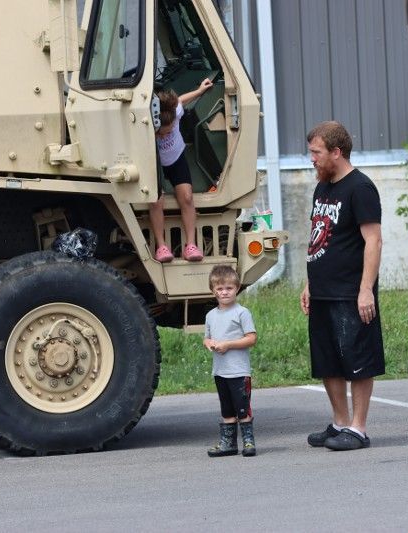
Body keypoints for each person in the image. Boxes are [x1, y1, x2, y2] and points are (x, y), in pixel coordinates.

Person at [300, 121, 384, 451]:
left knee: (357, 358)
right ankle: (339, 422)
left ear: (336, 152)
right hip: (322, 290)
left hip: (351, 291)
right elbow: (318, 237)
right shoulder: (323, 188)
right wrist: (309, 283)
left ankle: (358, 428)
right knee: (328, 360)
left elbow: (373, 240)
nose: (312, 159)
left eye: (316, 152)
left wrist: (366, 289)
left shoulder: (360, 188)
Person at [150, 78, 213, 263]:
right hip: (156, 162)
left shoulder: (175, 112)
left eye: (168, 132)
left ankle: (190, 245)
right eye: (160, 134)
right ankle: (161, 246)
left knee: (186, 197)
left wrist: (200, 90)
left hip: (176, 157)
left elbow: (181, 100)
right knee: (155, 201)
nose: (164, 136)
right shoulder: (150, 123)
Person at [204, 264, 258, 457]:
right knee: (226, 408)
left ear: (237, 288)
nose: (224, 292)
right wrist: (209, 343)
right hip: (220, 371)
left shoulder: (242, 313)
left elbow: (251, 338)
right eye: (219, 289)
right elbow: (207, 338)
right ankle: (228, 443)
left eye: (228, 288)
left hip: (239, 371)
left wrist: (228, 345)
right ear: (213, 291)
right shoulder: (210, 316)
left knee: (242, 408)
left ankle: (249, 442)